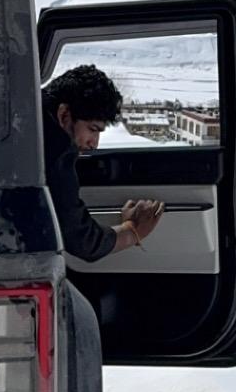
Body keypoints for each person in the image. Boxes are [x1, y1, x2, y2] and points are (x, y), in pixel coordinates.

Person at [42, 64, 163, 261]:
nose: (94, 144)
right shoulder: (55, 150)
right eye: (92, 129)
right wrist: (132, 232)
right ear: (64, 115)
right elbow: (82, 241)